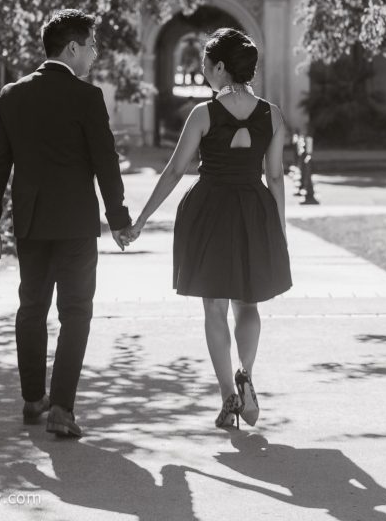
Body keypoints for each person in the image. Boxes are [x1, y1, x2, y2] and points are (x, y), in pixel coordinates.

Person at [123, 28, 292, 429]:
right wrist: (280, 230)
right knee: (248, 303)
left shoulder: (203, 114)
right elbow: (276, 176)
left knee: (214, 307)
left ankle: (228, 396)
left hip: (210, 211)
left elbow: (174, 171)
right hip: (253, 210)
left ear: (219, 68)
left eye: (204, 62)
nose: (202, 69)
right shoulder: (272, 115)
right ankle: (246, 374)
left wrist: (141, 219)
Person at [0, 8, 132, 439]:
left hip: (30, 222)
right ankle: (61, 408)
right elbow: (105, 164)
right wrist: (119, 220)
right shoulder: (87, 97)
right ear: (72, 48)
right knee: (76, 312)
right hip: (76, 224)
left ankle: (33, 399)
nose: (95, 54)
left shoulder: (12, 95)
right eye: (92, 46)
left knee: (32, 308)